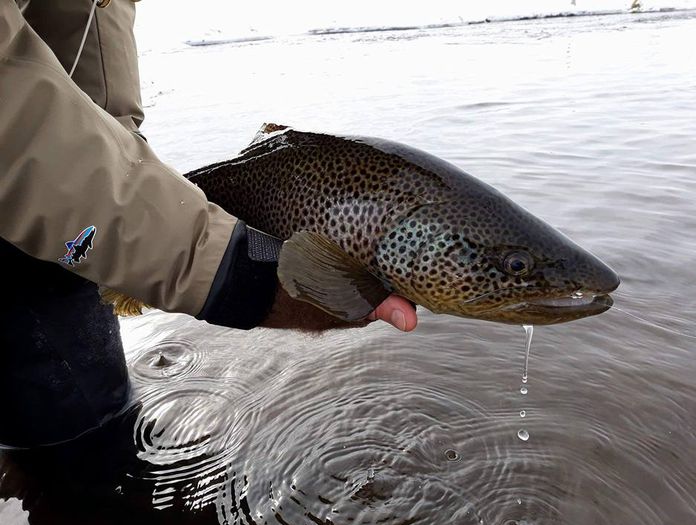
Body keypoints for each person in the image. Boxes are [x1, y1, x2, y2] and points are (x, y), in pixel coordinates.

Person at [0, 0, 417, 448]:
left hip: (56, 191)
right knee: (72, 433)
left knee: (97, 407)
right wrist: (239, 275)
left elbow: (93, 91)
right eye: (507, 269)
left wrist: (128, 175)